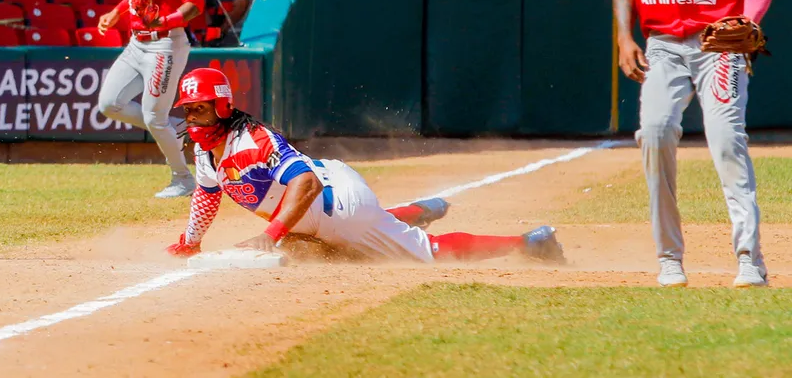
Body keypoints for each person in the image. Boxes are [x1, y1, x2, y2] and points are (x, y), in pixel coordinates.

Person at [164, 67, 566, 264]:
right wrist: (192, 239)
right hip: (316, 208)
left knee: (427, 255)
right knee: (308, 255)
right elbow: (207, 192)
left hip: (340, 206)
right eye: (188, 110)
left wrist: (270, 233)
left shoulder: (253, 141)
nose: (193, 117)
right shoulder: (206, 149)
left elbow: (305, 184)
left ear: (221, 106)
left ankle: (530, 243)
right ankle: (420, 210)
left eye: (199, 109)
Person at [611, 0, 773, 287]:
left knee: (725, 139)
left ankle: (750, 259)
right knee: (654, 132)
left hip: (719, 43)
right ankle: (669, 258)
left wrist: (749, 20)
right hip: (662, 45)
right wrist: (624, 37)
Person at [97, 0, 206, 198]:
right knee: (108, 104)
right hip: (136, 44)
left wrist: (167, 20)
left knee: (153, 118)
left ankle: (183, 180)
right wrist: (115, 13)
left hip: (165, 45)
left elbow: (195, 4)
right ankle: (176, 126)